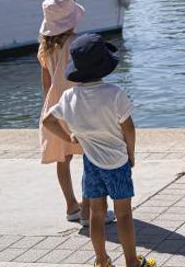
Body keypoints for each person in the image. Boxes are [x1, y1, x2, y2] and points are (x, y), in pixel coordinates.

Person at [41, 34, 154, 267]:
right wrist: (131, 153)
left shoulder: (69, 97)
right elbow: (129, 128)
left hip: (91, 163)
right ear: (104, 67)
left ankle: (102, 261)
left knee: (96, 214)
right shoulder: (114, 94)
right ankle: (132, 262)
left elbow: (48, 121)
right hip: (117, 163)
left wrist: (70, 137)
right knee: (123, 214)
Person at [37, 0, 115, 227]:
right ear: (72, 20)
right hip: (77, 102)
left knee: (64, 157)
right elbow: (85, 78)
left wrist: (50, 107)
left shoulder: (44, 48)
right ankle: (88, 211)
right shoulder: (77, 45)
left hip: (55, 105)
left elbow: (46, 82)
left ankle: (71, 206)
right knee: (90, 156)